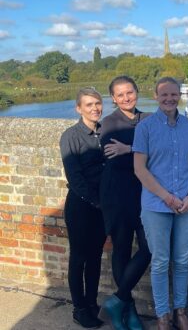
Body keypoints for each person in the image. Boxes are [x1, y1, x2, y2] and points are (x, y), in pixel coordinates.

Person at [133, 77, 188, 330]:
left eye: (174, 94)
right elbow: (140, 169)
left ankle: (180, 312)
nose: (170, 99)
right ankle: (163, 316)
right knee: (160, 261)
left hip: (187, 204)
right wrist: (166, 196)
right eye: (164, 95)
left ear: (179, 95)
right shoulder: (145, 127)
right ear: (156, 95)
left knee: (183, 260)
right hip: (156, 205)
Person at [99, 76, 152, 329]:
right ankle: (129, 312)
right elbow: (116, 159)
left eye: (129, 92)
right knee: (121, 250)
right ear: (113, 99)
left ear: (137, 92)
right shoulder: (108, 124)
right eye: (120, 95)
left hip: (144, 197)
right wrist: (140, 150)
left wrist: (129, 148)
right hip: (118, 198)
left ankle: (117, 300)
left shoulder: (149, 119)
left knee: (149, 247)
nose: (126, 98)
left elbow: (160, 152)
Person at [60, 88, 106, 329]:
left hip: (102, 206)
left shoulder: (105, 132)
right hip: (81, 205)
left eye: (97, 104)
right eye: (89, 105)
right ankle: (79, 308)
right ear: (79, 108)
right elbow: (75, 177)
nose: (95, 108)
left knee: (95, 257)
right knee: (79, 258)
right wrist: (96, 202)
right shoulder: (71, 136)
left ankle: (92, 303)